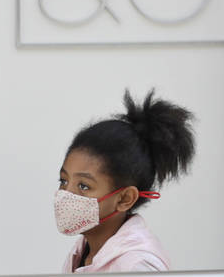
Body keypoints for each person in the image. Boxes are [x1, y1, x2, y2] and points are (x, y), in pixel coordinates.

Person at [56, 90, 195, 273]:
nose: (67, 195)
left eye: (84, 186)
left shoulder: (138, 265)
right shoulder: (85, 250)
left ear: (124, 199)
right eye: (64, 181)